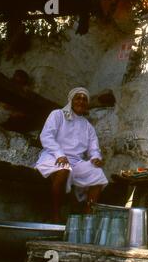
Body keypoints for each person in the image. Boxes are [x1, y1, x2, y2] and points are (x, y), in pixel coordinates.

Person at [35, 87, 108, 222]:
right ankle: (55, 215)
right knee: (63, 169)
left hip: (75, 161)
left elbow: (94, 148)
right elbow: (46, 136)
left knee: (97, 174)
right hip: (53, 155)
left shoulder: (87, 126)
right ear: (71, 100)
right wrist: (59, 154)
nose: (81, 101)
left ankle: (87, 219)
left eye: (84, 99)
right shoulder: (57, 115)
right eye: (78, 98)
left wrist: (96, 158)